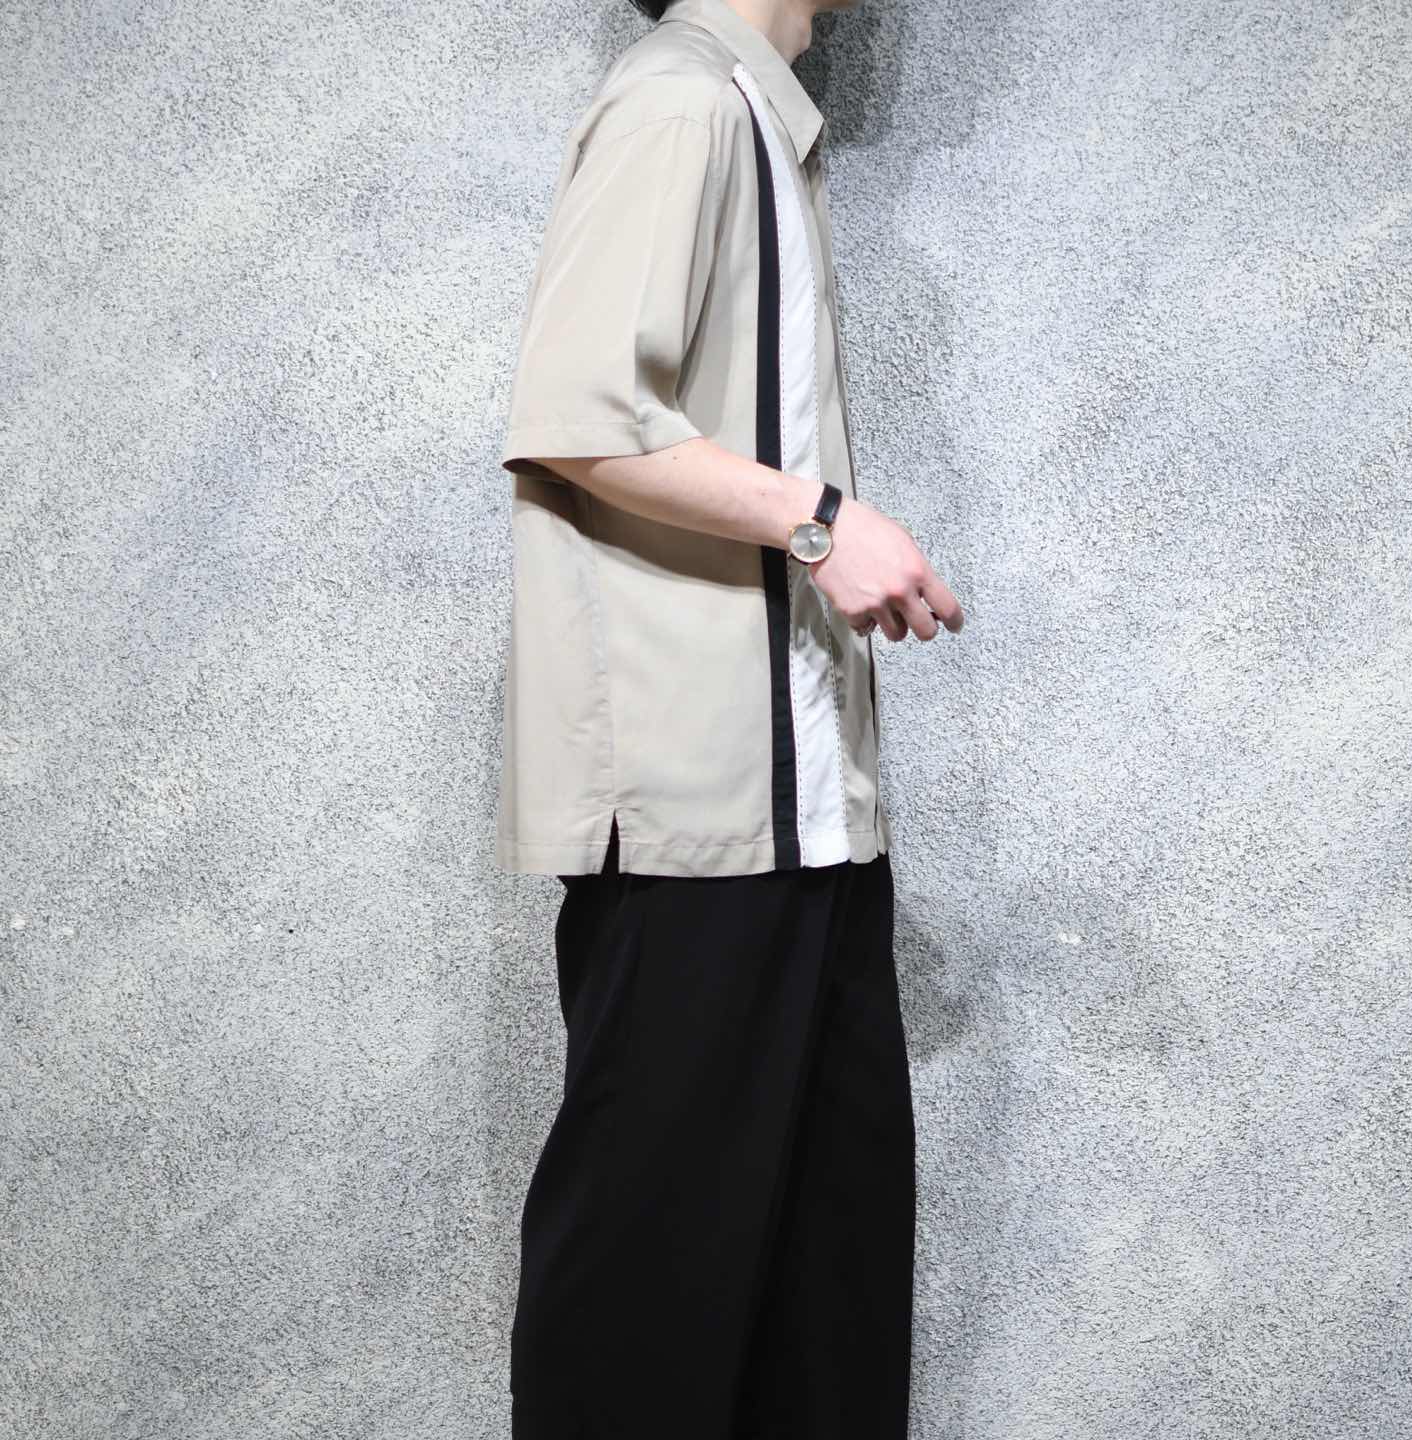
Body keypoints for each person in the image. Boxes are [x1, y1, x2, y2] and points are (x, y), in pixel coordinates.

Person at [495, 1, 964, 1435]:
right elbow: (578, 411)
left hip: (807, 817)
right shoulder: (682, 99)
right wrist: (823, 523)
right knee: (643, 1321)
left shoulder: (754, 116)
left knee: (825, 1312)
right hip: (699, 820)